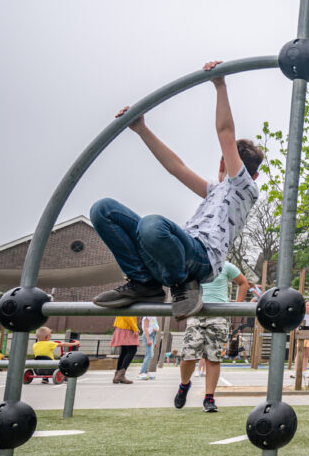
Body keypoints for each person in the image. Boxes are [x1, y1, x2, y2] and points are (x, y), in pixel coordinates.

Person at [89, 60, 263, 323]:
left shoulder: (243, 187)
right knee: (104, 210)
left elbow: (225, 133)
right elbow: (175, 167)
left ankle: (183, 283)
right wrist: (141, 129)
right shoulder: (214, 192)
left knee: (152, 225)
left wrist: (220, 85)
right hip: (181, 252)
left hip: (201, 259)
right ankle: (143, 282)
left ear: (224, 163)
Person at [175, 260, 248, 413]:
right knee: (188, 355)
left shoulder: (225, 265)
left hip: (218, 316)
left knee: (213, 358)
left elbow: (243, 283)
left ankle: (209, 398)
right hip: (196, 314)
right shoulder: (193, 264)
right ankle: (184, 385)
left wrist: (235, 306)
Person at [110, 316, 139, 384]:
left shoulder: (121, 304)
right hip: (127, 328)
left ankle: (117, 376)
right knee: (132, 350)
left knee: (124, 352)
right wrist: (135, 328)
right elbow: (129, 317)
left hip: (122, 327)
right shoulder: (130, 305)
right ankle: (120, 375)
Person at [137, 315, 160, 380]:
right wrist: (148, 339)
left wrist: (154, 342)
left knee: (148, 354)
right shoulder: (146, 317)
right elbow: (145, 328)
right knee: (150, 355)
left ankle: (146, 372)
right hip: (148, 336)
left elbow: (155, 327)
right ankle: (141, 373)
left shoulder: (154, 317)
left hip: (153, 336)